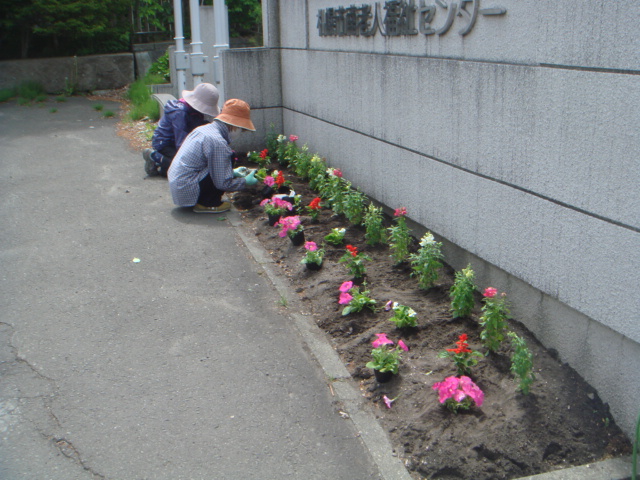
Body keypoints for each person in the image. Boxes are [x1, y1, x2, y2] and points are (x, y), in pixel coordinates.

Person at [167, 98, 259, 213]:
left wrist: (233, 172)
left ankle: (205, 200)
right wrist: (244, 181)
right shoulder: (218, 142)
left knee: (224, 158)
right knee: (229, 156)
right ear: (234, 125)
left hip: (180, 186)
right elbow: (223, 183)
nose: (241, 133)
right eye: (242, 129)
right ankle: (208, 203)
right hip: (189, 189)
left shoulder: (204, 129)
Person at [143, 83, 220, 177]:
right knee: (180, 167)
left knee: (170, 172)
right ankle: (154, 156)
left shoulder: (195, 111)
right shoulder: (180, 113)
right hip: (164, 143)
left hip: (177, 141)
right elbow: (181, 140)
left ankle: (163, 165)